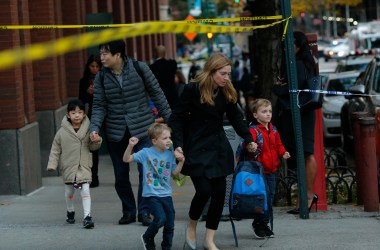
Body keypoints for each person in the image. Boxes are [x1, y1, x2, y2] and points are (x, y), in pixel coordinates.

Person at [168, 53, 257, 250]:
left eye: (228, 74)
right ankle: (192, 224)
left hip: (218, 148)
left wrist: (249, 138)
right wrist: (178, 144)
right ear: (212, 71)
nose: (227, 78)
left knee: (219, 193)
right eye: (223, 74)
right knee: (204, 191)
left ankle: (209, 239)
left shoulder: (227, 92)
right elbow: (176, 118)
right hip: (196, 147)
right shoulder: (192, 89)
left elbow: (236, 117)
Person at [89, 40, 172, 227]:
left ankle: (144, 211)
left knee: (147, 171)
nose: (101, 58)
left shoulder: (139, 68)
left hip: (143, 129)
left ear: (118, 55)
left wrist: (170, 120)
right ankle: (128, 211)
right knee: (120, 174)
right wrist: (94, 128)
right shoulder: (101, 77)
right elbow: (99, 105)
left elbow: (157, 93)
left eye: (105, 53)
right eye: (100, 53)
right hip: (116, 132)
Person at [273, 31, 319, 214]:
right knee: (302, 155)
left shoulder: (299, 64)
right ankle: (304, 196)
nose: (286, 48)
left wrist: (276, 88)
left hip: (301, 114)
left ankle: (308, 195)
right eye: (284, 44)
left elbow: (292, 90)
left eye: (290, 44)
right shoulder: (299, 63)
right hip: (299, 113)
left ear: (299, 46)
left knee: (306, 154)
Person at [123, 123, 185, 250]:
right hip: (151, 194)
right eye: (165, 138)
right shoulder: (146, 153)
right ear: (154, 141)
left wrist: (181, 162)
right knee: (160, 219)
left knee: (170, 224)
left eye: (169, 137)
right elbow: (126, 159)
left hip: (166, 194)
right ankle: (147, 237)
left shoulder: (170, 154)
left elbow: (174, 173)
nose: (169, 141)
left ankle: (166, 247)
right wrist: (130, 146)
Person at [47, 99, 102, 229]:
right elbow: (55, 149)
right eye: (73, 112)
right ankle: (70, 210)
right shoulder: (61, 132)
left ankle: (87, 217)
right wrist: (52, 165)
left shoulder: (89, 130)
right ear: (68, 115)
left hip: (84, 165)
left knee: (86, 189)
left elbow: (93, 147)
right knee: (69, 191)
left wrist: (97, 140)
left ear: (84, 114)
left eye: (80, 112)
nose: (77, 115)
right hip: (68, 165)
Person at [246, 99, 290, 238]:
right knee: (262, 198)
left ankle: (264, 224)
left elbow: (278, 145)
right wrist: (250, 146)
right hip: (259, 171)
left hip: (272, 170)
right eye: (264, 111)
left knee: (270, 197)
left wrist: (283, 152)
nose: (268, 114)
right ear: (255, 115)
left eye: (270, 111)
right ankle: (259, 224)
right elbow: (249, 145)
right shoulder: (254, 130)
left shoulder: (273, 129)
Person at [79, 54, 102, 188]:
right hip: (91, 116)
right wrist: (87, 92)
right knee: (93, 147)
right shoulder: (84, 81)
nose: (94, 69)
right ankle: (94, 177)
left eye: (97, 66)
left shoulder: (105, 79)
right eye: (92, 66)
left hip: (107, 116)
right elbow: (80, 100)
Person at [150, 45, 179, 110]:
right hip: (173, 94)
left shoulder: (153, 67)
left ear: (155, 53)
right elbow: (176, 78)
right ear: (164, 53)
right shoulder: (172, 63)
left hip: (161, 96)